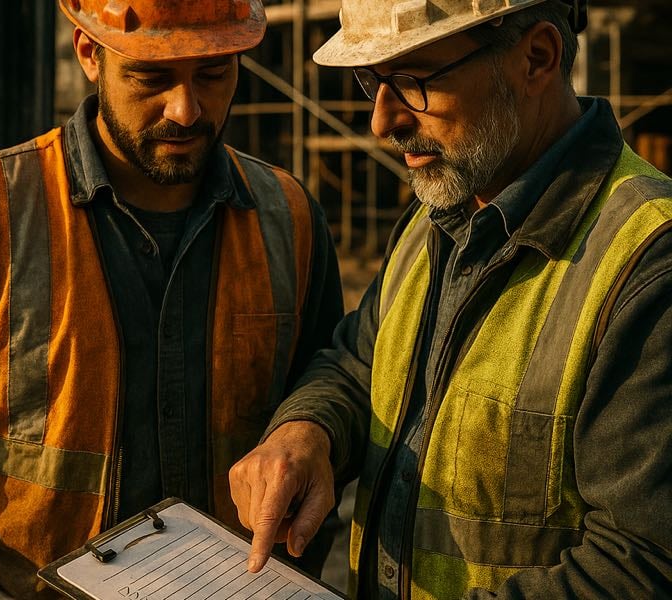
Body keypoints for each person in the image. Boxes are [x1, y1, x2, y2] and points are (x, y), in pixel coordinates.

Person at [0, 1, 344, 597]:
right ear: (89, 53)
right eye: (152, 77)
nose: (186, 109)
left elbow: (328, 406)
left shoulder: (290, 219)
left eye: (214, 74)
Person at [229, 0, 672, 598]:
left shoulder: (647, 263)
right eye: (370, 82)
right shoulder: (434, 221)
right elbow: (361, 364)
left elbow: (643, 564)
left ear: (536, 57)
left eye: (411, 81)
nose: (382, 121)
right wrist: (308, 430)